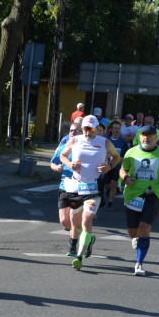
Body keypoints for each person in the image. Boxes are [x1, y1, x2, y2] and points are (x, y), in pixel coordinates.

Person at [59, 115, 120, 270]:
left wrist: (109, 167)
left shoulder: (104, 142)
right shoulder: (75, 140)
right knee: (75, 220)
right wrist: (69, 164)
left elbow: (117, 157)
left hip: (94, 188)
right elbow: (62, 156)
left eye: (91, 129)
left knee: (87, 220)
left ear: (96, 128)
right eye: (85, 129)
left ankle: (79, 256)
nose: (88, 132)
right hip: (76, 187)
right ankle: (89, 239)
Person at [120, 125, 159, 276]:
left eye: (150, 135)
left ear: (156, 138)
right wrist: (125, 177)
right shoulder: (131, 152)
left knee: (144, 228)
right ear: (140, 136)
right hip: (132, 195)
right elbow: (122, 169)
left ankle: (139, 263)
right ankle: (136, 237)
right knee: (132, 232)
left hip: (153, 194)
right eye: (144, 135)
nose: (146, 138)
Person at [51, 118, 82, 255]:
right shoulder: (64, 148)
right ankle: (77, 233)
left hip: (80, 187)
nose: (73, 133)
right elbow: (52, 162)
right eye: (71, 131)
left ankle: (73, 245)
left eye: (76, 131)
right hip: (64, 185)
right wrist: (56, 167)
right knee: (64, 221)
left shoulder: (84, 148)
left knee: (73, 217)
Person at [105, 119, 129, 210]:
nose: (117, 130)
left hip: (117, 167)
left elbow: (127, 154)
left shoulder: (122, 142)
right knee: (107, 185)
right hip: (107, 166)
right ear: (111, 129)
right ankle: (108, 190)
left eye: (118, 128)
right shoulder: (106, 141)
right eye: (115, 128)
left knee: (114, 183)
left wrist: (123, 159)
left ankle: (110, 203)